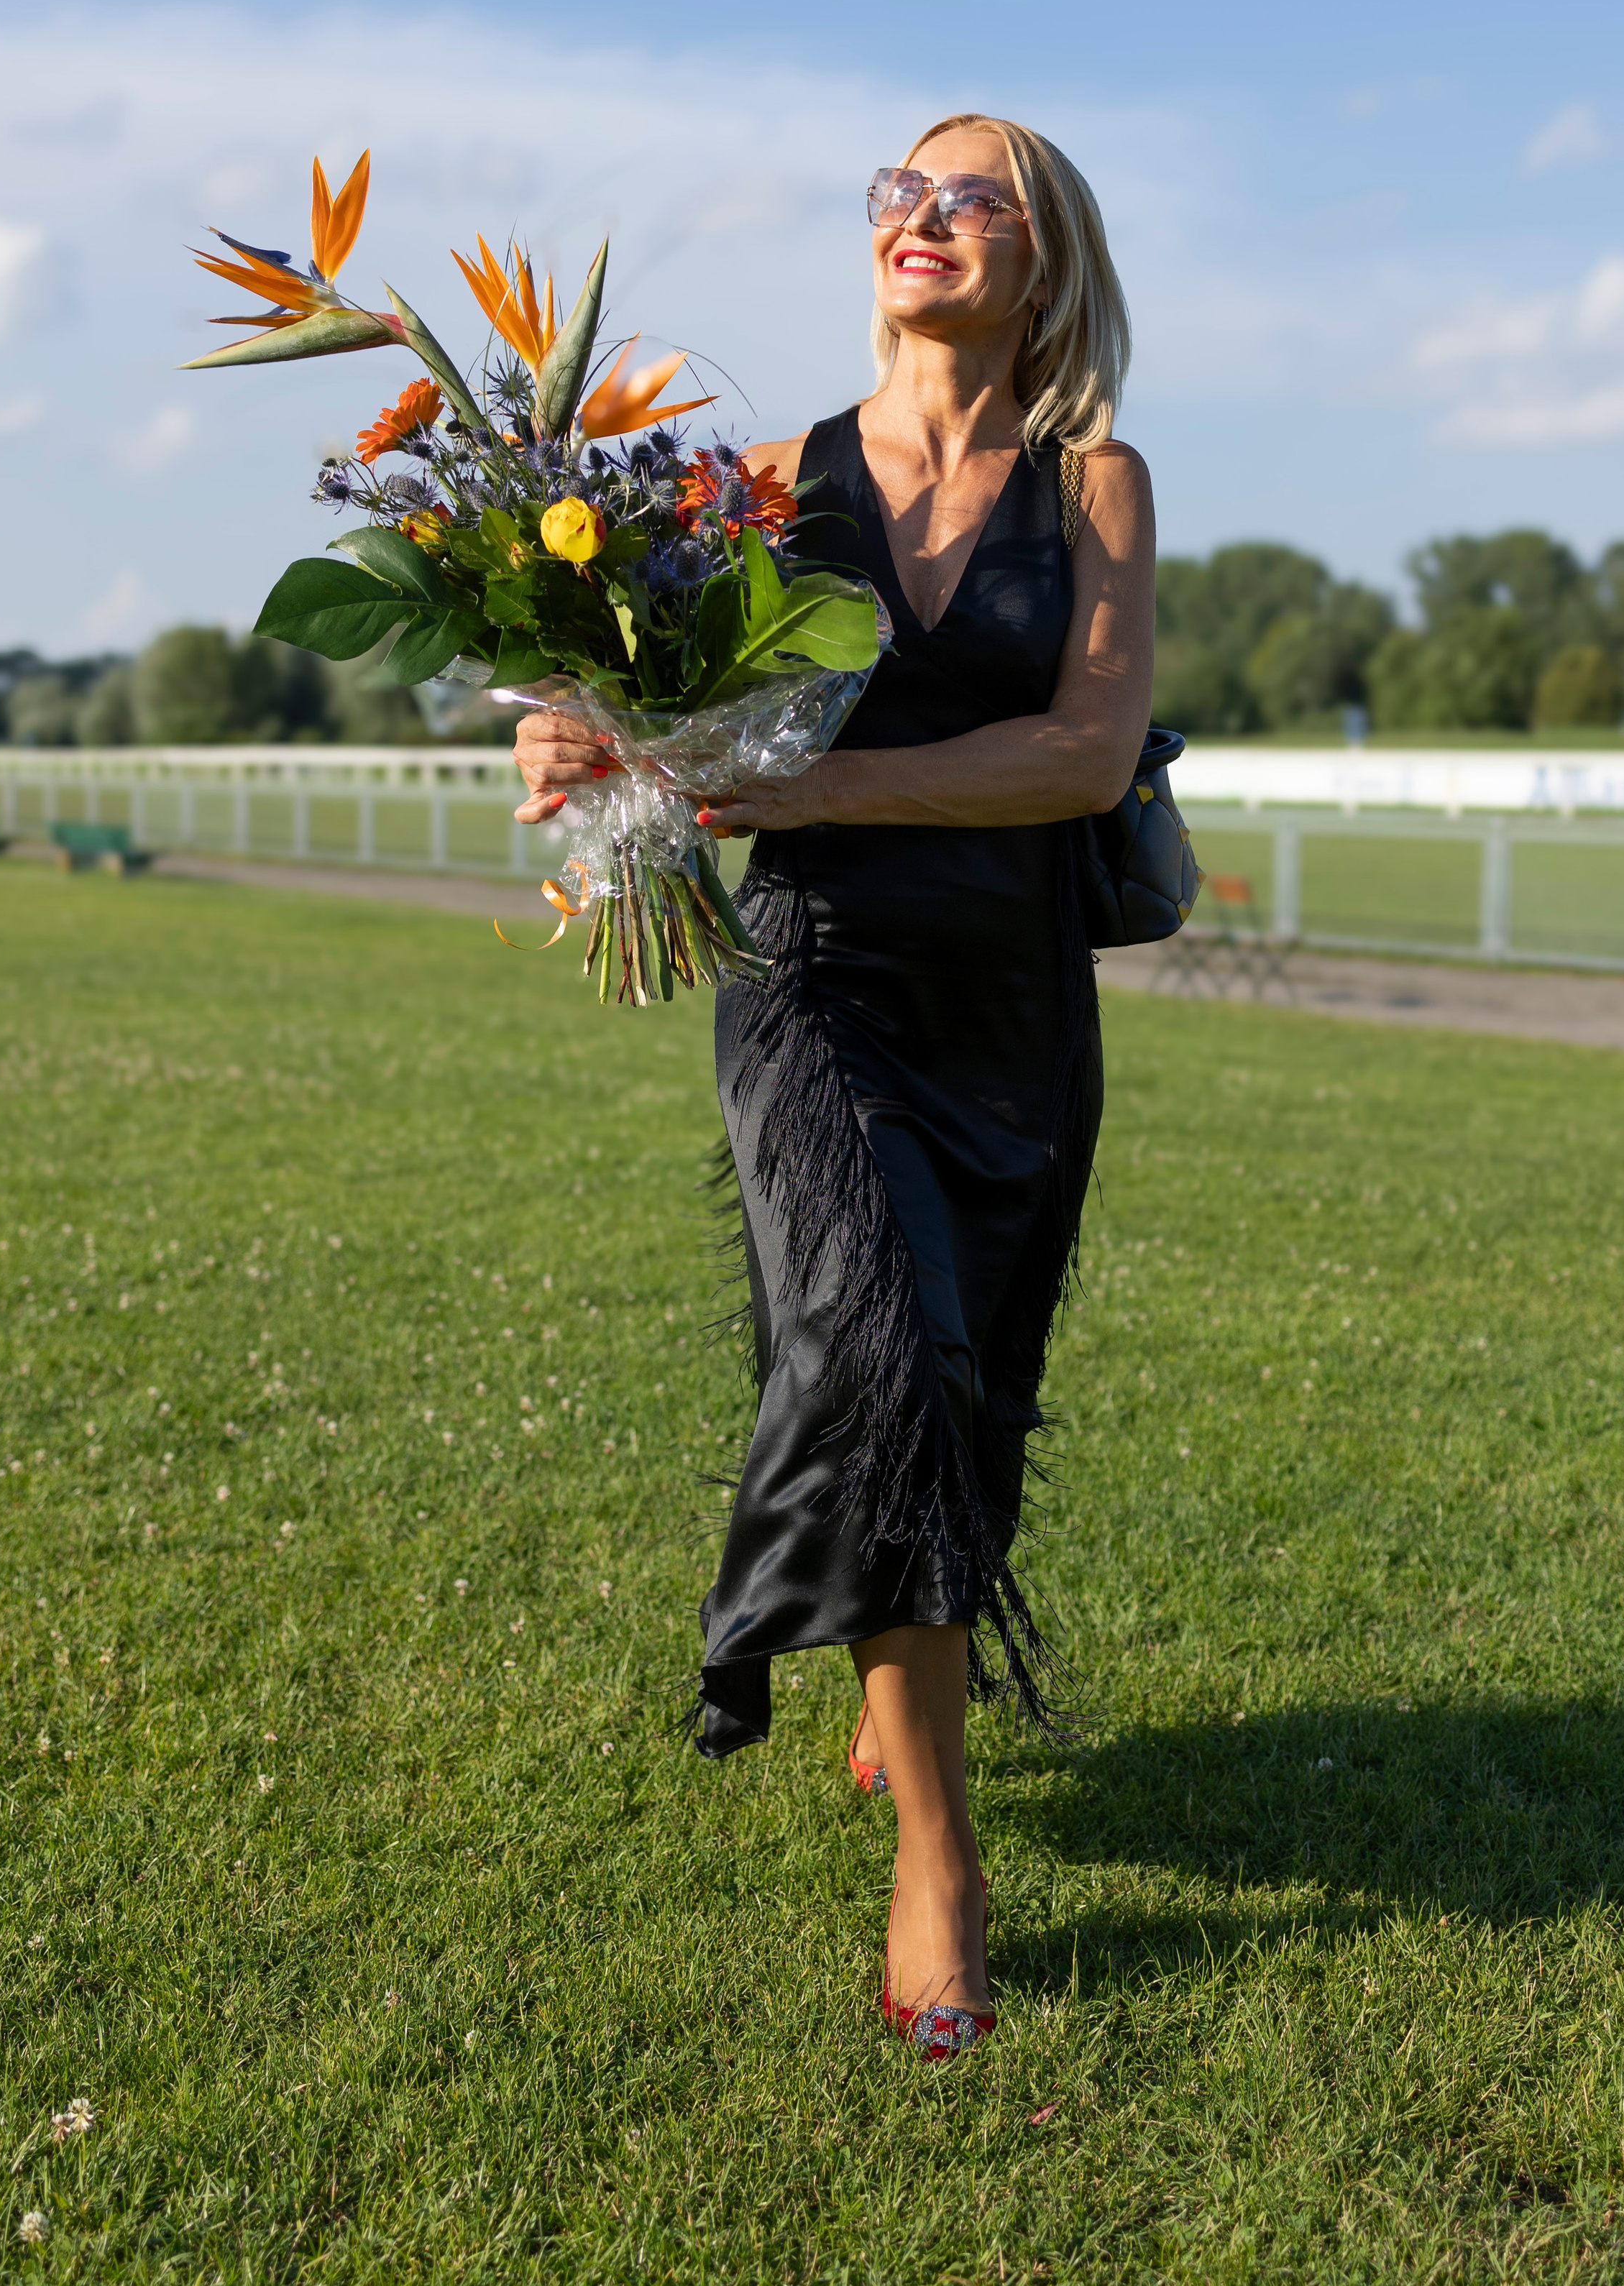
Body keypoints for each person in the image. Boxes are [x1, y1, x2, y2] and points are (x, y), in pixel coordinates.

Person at [512, 115, 1155, 2059]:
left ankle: (905, 1682)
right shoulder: (760, 487)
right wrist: (575, 730)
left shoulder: (1097, 482)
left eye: (978, 199)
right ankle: (943, 1863)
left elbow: (1085, 755)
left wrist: (812, 786)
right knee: (873, 1350)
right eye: (903, 188)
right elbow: (650, 706)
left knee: (977, 1387)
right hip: (810, 986)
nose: (926, 216)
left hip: (1014, 1005)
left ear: (1044, 260)